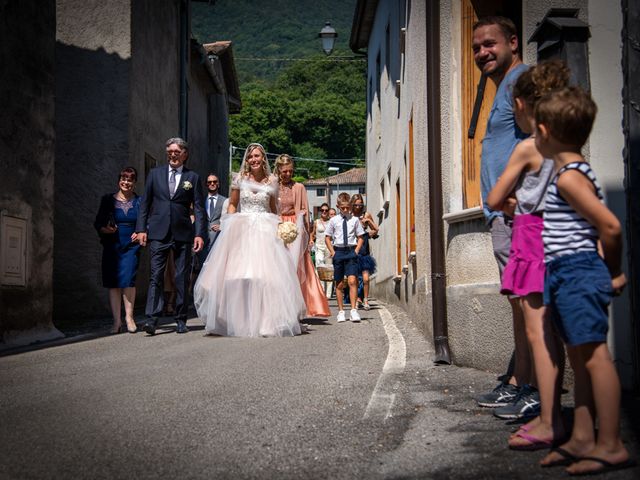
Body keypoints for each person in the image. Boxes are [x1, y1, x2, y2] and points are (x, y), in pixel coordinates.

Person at [534, 87, 634, 475]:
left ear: (543, 131)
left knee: (595, 358)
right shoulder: (571, 174)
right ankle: (581, 437)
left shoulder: (569, 179)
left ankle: (610, 443)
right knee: (580, 357)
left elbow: (609, 226)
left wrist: (612, 271)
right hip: (564, 272)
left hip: (577, 272)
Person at [486, 61, 569, 448]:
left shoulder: (527, 147)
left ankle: (544, 411)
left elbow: (493, 197)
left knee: (538, 328)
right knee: (565, 333)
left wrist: (516, 204)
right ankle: (567, 419)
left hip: (531, 238)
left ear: (519, 104)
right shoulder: (568, 148)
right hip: (563, 237)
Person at [472, 16, 535, 411]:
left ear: (513, 41)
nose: (482, 53)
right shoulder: (503, 88)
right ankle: (518, 379)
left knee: (528, 303)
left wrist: (517, 202)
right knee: (518, 301)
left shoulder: (520, 81)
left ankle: (531, 389)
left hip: (516, 216)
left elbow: (539, 141)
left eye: (490, 44)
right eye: (477, 47)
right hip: (504, 216)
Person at [193, 144, 305, 337]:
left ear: (263, 159)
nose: (254, 159)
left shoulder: (272, 180)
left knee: (267, 277)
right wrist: (228, 222)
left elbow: (272, 208)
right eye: (251, 156)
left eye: (257, 156)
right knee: (238, 277)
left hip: (265, 229)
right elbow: (233, 204)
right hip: (242, 228)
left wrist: (279, 228)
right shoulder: (239, 179)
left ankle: (267, 321)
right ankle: (238, 320)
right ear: (247, 159)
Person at [135, 137, 206, 335]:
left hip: (183, 233)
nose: (173, 155)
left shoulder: (192, 178)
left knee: (181, 277)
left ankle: (181, 318)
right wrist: (142, 229)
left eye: (177, 152)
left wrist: (199, 234)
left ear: (184, 154)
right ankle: (151, 318)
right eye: (170, 152)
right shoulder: (155, 174)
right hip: (158, 232)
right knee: (155, 276)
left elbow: (199, 209)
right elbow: (145, 203)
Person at [274, 154, 330, 318]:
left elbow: (305, 212)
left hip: (295, 228)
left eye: (290, 171)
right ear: (278, 170)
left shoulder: (299, 187)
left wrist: (308, 235)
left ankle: (298, 307)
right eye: (284, 171)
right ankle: (280, 308)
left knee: (297, 268)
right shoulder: (272, 186)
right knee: (279, 267)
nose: (288, 174)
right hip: (277, 226)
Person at [94, 167, 142, 334]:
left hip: (131, 245)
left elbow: (146, 221)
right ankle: (116, 322)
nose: (126, 182)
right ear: (118, 180)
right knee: (113, 283)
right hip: (112, 245)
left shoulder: (140, 201)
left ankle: (129, 318)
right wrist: (105, 229)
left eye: (130, 179)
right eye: (123, 179)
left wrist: (141, 231)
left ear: (135, 183)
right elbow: (98, 222)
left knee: (128, 280)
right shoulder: (107, 200)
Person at [325, 192, 365, 323]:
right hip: (339, 252)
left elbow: (360, 237)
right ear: (338, 206)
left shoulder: (354, 221)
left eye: (348, 207)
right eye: (343, 208)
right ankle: (341, 311)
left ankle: (353, 310)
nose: (346, 210)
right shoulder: (333, 220)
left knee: (353, 281)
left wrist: (356, 250)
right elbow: (327, 237)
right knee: (340, 283)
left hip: (351, 252)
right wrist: (333, 252)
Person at [351, 194, 378, 310]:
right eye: (356, 204)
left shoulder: (366, 214)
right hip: (353, 247)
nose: (358, 207)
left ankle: (366, 300)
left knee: (366, 278)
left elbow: (376, 229)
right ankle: (357, 299)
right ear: (352, 204)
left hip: (364, 247)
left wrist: (367, 221)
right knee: (356, 279)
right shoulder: (350, 216)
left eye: (360, 204)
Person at [310, 202, 333, 297]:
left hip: (329, 247)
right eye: (322, 210)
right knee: (319, 267)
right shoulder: (316, 222)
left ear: (328, 212)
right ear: (320, 211)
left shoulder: (331, 222)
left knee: (329, 269)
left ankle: (328, 294)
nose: (324, 212)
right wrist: (311, 240)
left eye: (326, 210)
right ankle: (321, 291)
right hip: (319, 247)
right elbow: (312, 233)